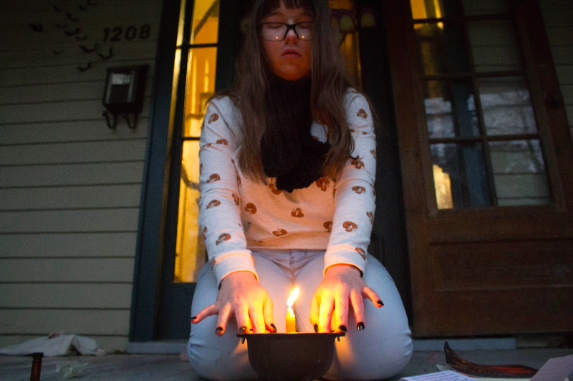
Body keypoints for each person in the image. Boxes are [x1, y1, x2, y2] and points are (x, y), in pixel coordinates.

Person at [187, 0, 412, 379]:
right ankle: (308, 352)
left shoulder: (349, 107)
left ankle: (308, 352)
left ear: (321, 35)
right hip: (254, 258)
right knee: (215, 362)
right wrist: (235, 275)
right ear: (258, 36)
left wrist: (344, 268)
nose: (290, 35)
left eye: (303, 25)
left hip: (328, 256)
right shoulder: (226, 111)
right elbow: (217, 196)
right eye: (276, 25)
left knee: (384, 357)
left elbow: (357, 189)